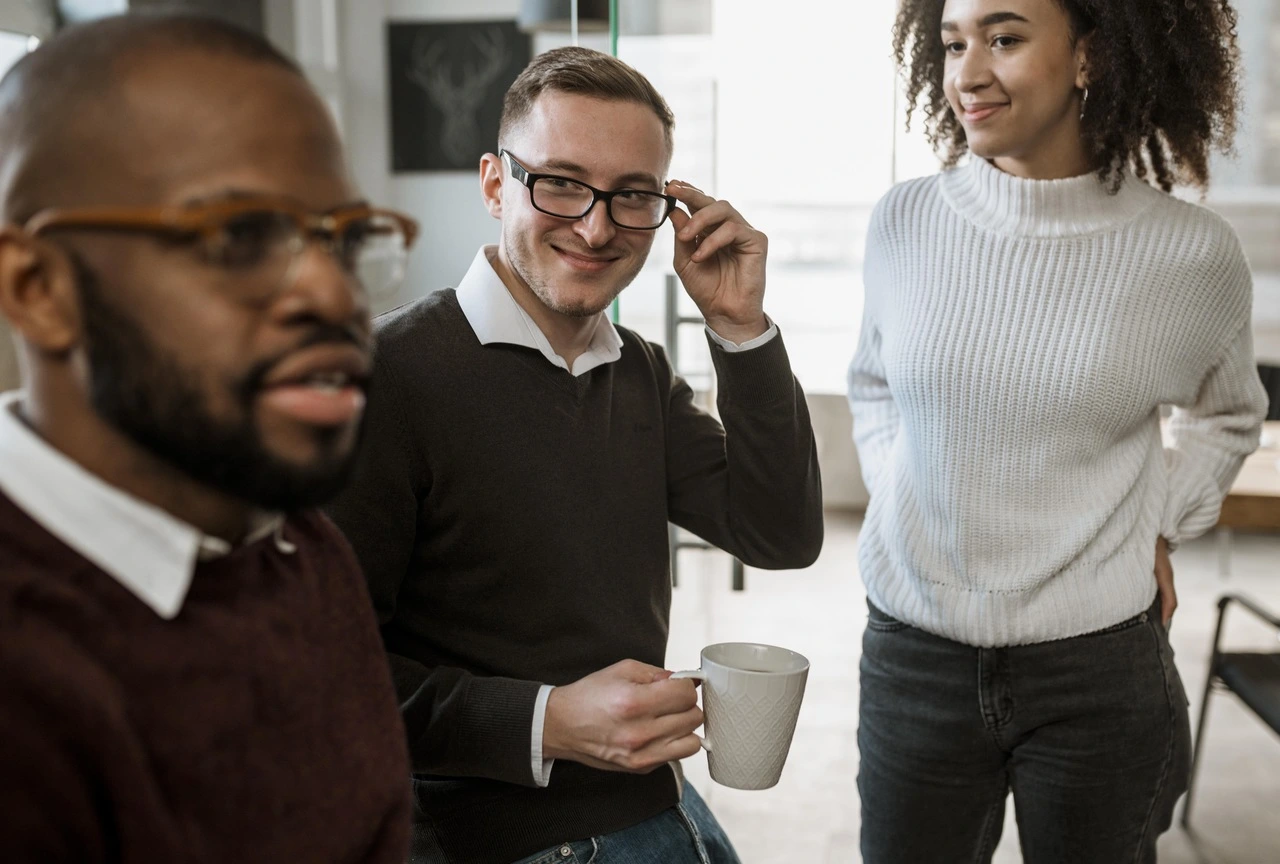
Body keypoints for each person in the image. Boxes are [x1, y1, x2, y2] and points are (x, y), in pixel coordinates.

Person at [327, 46, 824, 864]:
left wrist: (740, 329)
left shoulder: (637, 367)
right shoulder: (385, 380)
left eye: (632, 197)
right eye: (560, 182)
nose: (596, 227)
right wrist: (548, 721)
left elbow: (780, 533)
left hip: (655, 801)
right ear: (494, 184)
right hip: (497, 835)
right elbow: (326, 682)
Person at [847, 0, 1269, 861]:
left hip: (1100, 668)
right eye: (953, 43)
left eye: (1003, 39)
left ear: (1091, 56)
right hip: (915, 657)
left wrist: (1160, 519)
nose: (966, 74)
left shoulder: (1190, 255)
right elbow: (874, 388)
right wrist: (906, 494)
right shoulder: (904, 222)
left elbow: (1230, 416)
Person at [0, 13, 422, 863]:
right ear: (38, 288)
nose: (335, 297)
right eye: (239, 235)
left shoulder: (304, 549)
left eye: (344, 240)